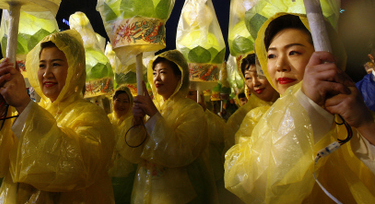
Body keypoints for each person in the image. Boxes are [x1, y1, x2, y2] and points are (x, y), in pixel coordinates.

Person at [0, 30, 115, 203]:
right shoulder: (36, 110)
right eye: (42, 65)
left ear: (76, 69)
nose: (46, 73)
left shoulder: (93, 116)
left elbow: (76, 167)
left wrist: (24, 105)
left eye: (56, 64)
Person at [225, 13, 375, 203]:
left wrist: (366, 125)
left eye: (293, 52)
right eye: (271, 55)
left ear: (325, 55)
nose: (280, 65)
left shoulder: (352, 112)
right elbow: (249, 183)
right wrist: (306, 105)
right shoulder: (257, 119)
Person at [127, 50, 218, 204]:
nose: (157, 78)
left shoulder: (192, 110)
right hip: (144, 193)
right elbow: (132, 153)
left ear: (179, 76)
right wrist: (136, 125)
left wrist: (154, 116)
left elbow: (181, 152)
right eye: (154, 73)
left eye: (163, 72)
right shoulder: (151, 107)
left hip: (179, 196)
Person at [224, 53, 279, 150]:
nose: (255, 83)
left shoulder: (293, 103)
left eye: (259, 75)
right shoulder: (240, 118)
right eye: (248, 78)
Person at [108, 86, 137, 204]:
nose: (121, 104)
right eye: (118, 100)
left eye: (125, 101)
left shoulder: (134, 121)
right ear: (113, 101)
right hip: (109, 173)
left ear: (130, 104)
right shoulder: (106, 120)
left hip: (128, 174)